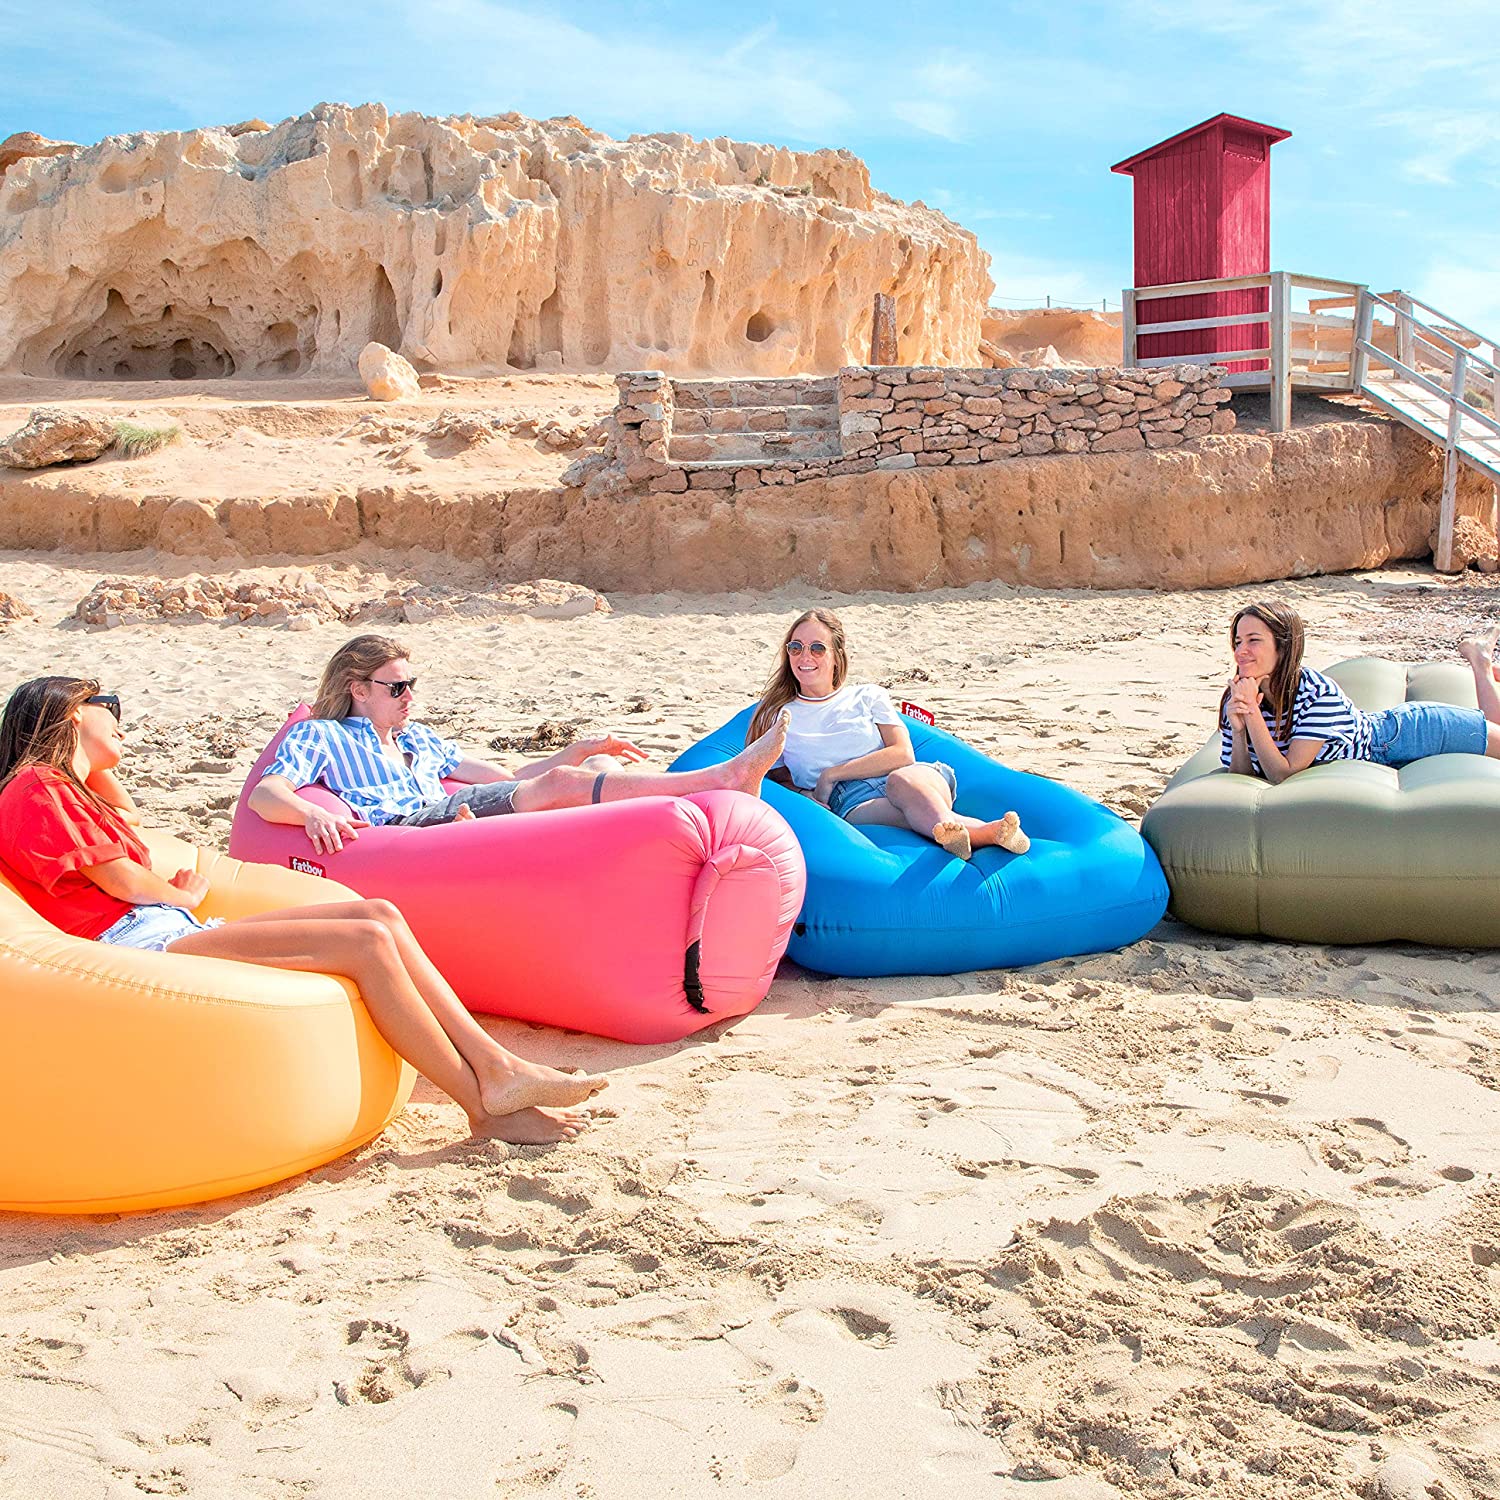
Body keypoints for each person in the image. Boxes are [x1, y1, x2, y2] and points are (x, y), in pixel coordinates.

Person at [0, 676, 611, 1146]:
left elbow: (126, 824)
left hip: (160, 929)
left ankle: (498, 1066)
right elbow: (124, 878)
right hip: (136, 942)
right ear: (74, 712)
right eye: (112, 709)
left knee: (378, 915)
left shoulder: (63, 788)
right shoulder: (35, 787)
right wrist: (180, 895)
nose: (124, 724)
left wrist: (93, 764)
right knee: (365, 944)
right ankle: (484, 1106)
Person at [249, 635, 790, 854]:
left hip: (447, 812)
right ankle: (720, 781)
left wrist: (578, 751)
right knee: (558, 788)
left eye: (413, 684)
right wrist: (309, 816)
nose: (410, 695)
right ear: (359, 690)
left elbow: (508, 779)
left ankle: (689, 813)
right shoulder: (321, 734)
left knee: (591, 767)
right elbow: (265, 793)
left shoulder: (416, 739)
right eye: (397, 687)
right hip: (406, 831)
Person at [747, 608, 1030, 862]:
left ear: (836, 655)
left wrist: (830, 775)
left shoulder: (867, 695)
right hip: (853, 801)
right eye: (795, 647)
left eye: (817, 648)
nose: (804, 656)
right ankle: (987, 833)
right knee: (918, 815)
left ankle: (955, 832)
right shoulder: (778, 715)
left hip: (913, 777)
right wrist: (802, 794)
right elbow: (770, 777)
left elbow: (902, 753)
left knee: (901, 781)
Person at [1221, 601, 1500, 783]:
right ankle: (1482, 662)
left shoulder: (1316, 692)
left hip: (1411, 735)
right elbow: (1242, 776)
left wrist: (1252, 714)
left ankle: (1480, 661)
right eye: (1238, 641)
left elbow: (1284, 774)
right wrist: (1239, 729)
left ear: (1284, 646)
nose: (1241, 651)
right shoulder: (1236, 698)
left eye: (1254, 640)